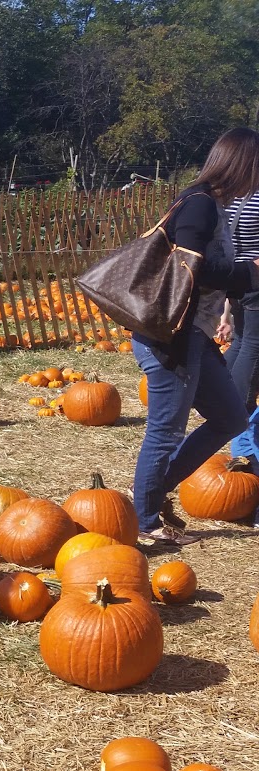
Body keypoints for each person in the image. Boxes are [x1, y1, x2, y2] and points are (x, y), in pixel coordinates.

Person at [132, 128, 259, 544]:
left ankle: (147, 497)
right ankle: (143, 522)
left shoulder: (213, 205)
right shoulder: (200, 206)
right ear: (243, 165)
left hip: (195, 334)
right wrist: (251, 271)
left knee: (230, 417)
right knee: (165, 429)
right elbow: (192, 269)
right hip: (171, 336)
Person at [220, 180, 259, 475]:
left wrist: (225, 311)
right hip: (257, 277)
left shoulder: (237, 196)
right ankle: (237, 411)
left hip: (240, 278)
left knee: (245, 340)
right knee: (254, 346)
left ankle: (224, 397)